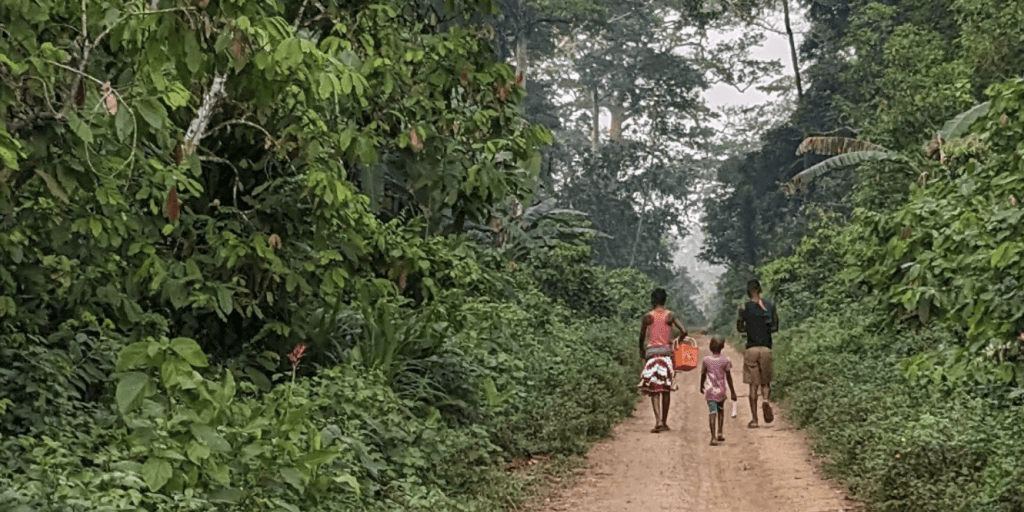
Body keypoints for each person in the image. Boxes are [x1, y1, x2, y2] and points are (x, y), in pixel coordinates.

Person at [637, 288, 688, 433]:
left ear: (652, 300)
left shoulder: (648, 316)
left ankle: (658, 420)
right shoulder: (670, 315)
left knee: (654, 388)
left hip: (652, 354)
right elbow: (684, 331)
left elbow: (641, 337)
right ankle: (664, 422)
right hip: (666, 353)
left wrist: (642, 351)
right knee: (666, 388)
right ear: (665, 300)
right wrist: (677, 341)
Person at [736, 279, 779, 428]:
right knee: (765, 383)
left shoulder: (744, 307)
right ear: (759, 290)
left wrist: (749, 327)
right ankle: (766, 401)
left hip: (752, 349)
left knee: (753, 386)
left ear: (748, 292)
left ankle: (754, 420)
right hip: (766, 348)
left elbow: (740, 328)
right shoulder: (770, 305)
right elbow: (775, 327)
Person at [699, 334, 737, 446]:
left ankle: (713, 437)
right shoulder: (726, 360)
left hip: (710, 391)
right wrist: (733, 392)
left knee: (712, 412)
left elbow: (703, 375)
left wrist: (701, 385)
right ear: (722, 347)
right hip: (721, 391)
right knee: (721, 411)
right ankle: (720, 432)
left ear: (710, 347)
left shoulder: (706, 360)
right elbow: (729, 378)